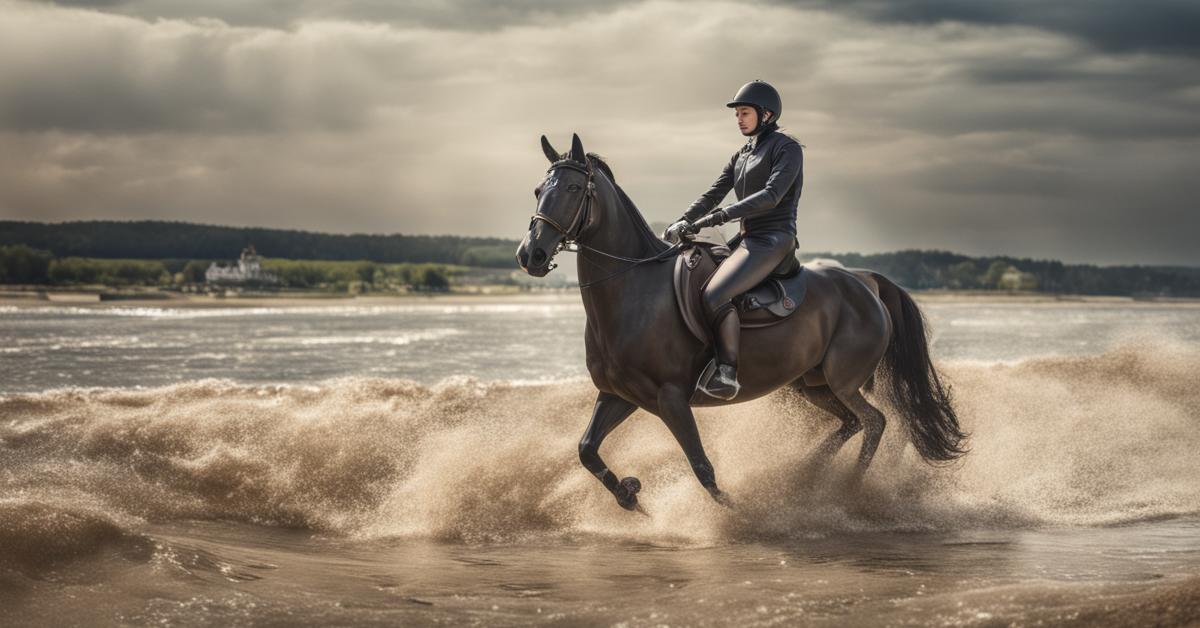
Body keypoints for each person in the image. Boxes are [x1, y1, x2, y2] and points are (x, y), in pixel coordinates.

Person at [664, 80, 803, 400]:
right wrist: (684, 219)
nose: (739, 119)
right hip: (747, 236)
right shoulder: (741, 155)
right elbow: (713, 193)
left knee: (714, 293)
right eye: (737, 114)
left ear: (766, 114)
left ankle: (726, 372)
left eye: (745, 113)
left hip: (774, 239)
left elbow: (770, 196)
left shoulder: (787, 148)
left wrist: (716, 218)